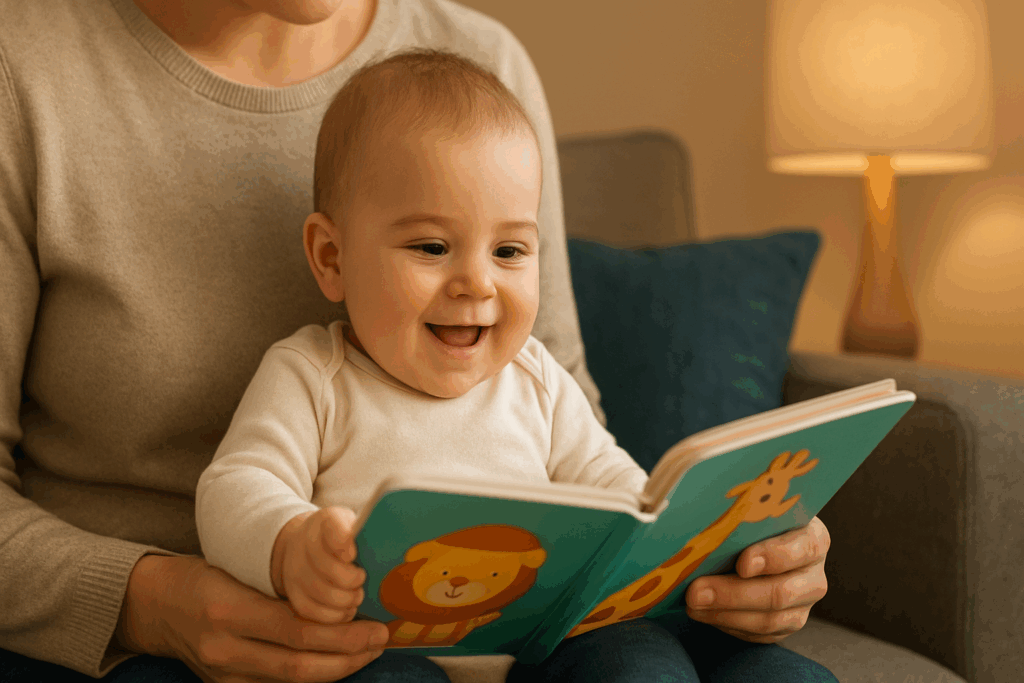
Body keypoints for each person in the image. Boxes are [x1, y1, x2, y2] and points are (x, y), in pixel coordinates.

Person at [0, 1, 831, 682]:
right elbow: (245, 482)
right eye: (433, 248)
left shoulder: (532, 371)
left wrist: (701, 542)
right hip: (335, 649)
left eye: (510, 250)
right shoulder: (313, 374)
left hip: (537, 634)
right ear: (329, 256)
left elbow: (601, 473)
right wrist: (281, 550)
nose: (477, 284)